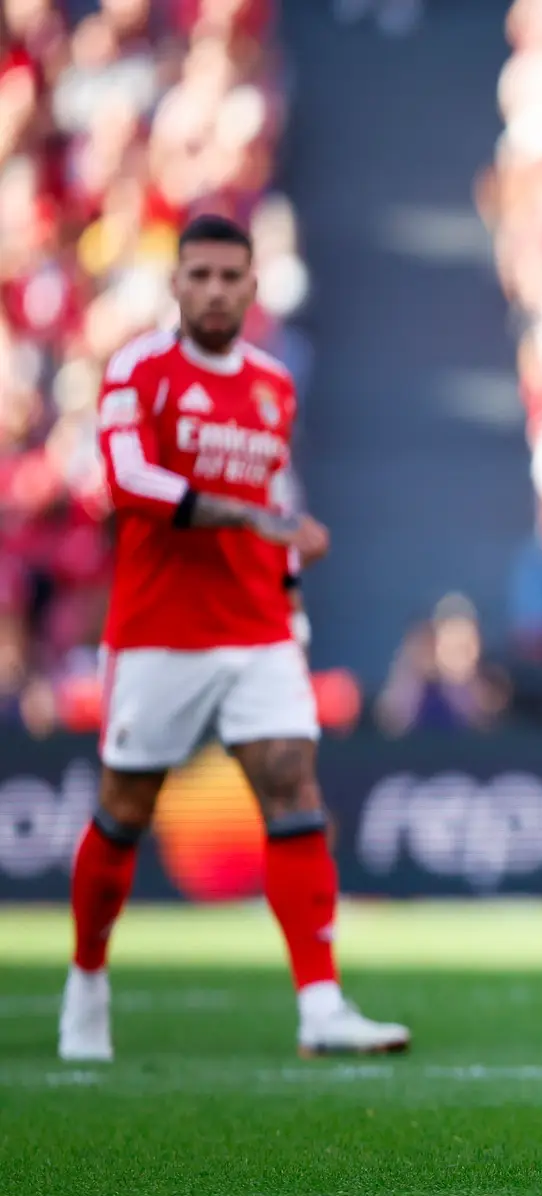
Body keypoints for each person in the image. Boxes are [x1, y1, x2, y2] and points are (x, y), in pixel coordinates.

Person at [58, 214, 410, 1062]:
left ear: (253, 288)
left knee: (295, 791)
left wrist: (289, 597)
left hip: (258, 627)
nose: (215, 290)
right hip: (158, 630)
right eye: (200, 275)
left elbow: (276, 493)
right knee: (126, 809)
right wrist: (254, 515)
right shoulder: (139, 367)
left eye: (230, 277)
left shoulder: (272, 385)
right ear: (176, 284)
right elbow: (128, 479)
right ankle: (87, 981)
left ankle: (321, 1005)